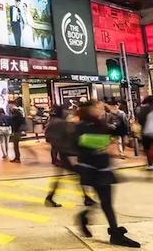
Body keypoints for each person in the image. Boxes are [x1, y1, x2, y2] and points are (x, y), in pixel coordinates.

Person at [74, 101, 140, 248]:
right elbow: (78, 144)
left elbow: (117, 133)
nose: (102, 110)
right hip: (92, 170)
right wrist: (103, 143)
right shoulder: (81, 126)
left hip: (103, 169)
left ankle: (85, 218)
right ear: (89, 110)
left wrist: (116, 116)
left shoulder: (100, 123)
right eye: (98, 107)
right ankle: (115, 233)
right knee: (106, 203)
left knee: (105, 202)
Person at [44, 105, 94, 208]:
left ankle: (50, 197)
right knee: (78, 174)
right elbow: (72, 136)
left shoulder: (51, 123)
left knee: (63, 176)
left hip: (62, 153)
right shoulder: (62, 124)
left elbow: (48, 138)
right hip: (68, 153)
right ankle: (86, 198)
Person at [138, 96, 153, 170]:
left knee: (148, 149)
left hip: (147, 131)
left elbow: (140, 119)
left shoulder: (143, 108)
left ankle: (150, 164)